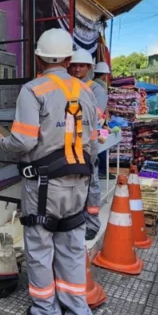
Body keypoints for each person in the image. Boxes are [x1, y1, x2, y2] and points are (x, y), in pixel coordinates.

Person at [0, 29, 98, 315]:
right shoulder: (86, 91)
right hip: (78, 183)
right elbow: (91, 143)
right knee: (72, 250)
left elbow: (24, 141)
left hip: (43, 187)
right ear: (68, 59)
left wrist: (1, 141)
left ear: (38, 58)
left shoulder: (33, 89)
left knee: (39, 250)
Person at [69, 50, 106, 241]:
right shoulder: (67, 85)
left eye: (81, 66)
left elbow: (95, 115)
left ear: (89, 68)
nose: (77, 69)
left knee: (91, 184)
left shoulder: (95, 89)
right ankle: (76, 219)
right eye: (74, 65)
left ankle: (92, 224)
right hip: (68, 144)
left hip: (87, 146)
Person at [93, 61, 112, 178]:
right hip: (99, 120)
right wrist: (106, 120)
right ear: (104, 74)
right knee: (103, 144)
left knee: (97, 145)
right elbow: (103, 104)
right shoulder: (102, 86)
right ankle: (103, 171)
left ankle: (101, 170)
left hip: (95, 119)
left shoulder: (91, 83)